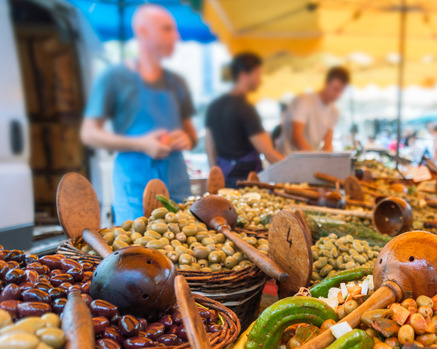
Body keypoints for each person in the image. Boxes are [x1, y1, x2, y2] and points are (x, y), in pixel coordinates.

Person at [80, 5, 196, 223]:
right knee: (137, 252)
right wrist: (141, 144)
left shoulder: (177, 83)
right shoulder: (113, 78)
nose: (177, 36)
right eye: (167, 29)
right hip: (134, 191)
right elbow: (89, 134)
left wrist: (186, 138)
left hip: (178, 187)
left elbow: (192, 135)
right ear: (143, 31)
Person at [204, 53, 284, 188]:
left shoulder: (214, 106)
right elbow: (269, 153)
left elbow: (209, 147)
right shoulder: (245, 109)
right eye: (257, 75)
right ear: (243, 75)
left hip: (224, 177)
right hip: (246, 179)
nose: (260, 81)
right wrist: (296, 170)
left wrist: (215, 177)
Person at [281, 66, 350, 155]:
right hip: (286, 160)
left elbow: (327, 144)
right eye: (335, 89)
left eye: (341, 91)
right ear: (326, 83)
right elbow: (296, 138)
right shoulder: (305, 100)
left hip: (309, 162)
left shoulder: (334, 111)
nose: (337, 95)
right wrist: (316, 160)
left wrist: (327, 160)